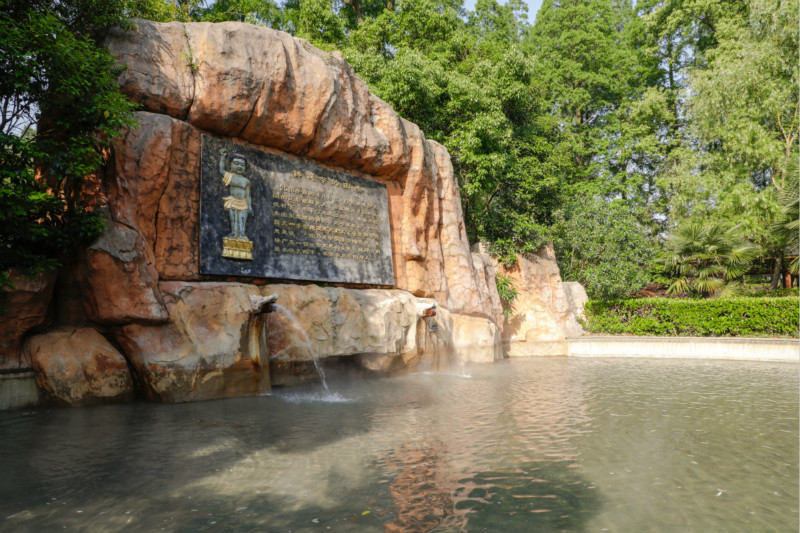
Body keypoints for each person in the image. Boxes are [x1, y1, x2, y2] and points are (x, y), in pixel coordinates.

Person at [219, 147, 253, 240]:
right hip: (233, 202)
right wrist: (222, 157)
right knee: (233, 220)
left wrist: (249, 206)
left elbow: (248, 195)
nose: (239, 167)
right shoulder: (231, 176)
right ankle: (234, 233)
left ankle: (241, 234)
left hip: (243, 203)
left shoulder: (246, 181)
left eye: (242, 165)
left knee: (242, 221)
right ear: (231, 164)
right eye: (236, 163)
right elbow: (221, 170)